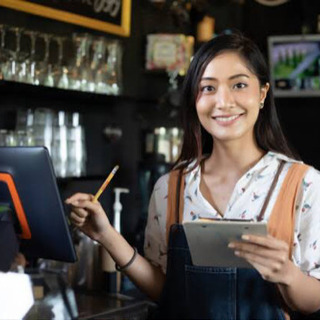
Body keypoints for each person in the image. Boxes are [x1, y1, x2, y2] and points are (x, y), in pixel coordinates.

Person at [66, 31, 320, 319]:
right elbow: (165, 290)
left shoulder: (303, 184)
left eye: (238, 85)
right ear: (194, 100)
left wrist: (287, 274)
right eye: (208, 88)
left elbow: (312, 301)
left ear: (262, 94)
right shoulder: (170, 187)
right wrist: (106, 235)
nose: (223, 102)